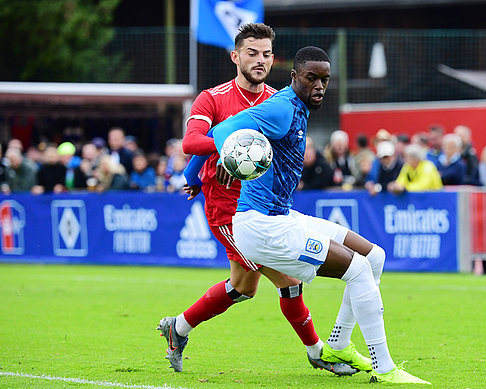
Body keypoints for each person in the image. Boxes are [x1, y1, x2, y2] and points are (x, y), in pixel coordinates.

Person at [180, 46, 430, 385]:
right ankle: (384, 367)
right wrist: (218, 161)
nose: (319, 86)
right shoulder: (282, 107)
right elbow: (220, 130)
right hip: (260, 225)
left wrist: (194, 175)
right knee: (355, 271)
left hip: (281, 216)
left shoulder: (296, 106)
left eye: (325, 80)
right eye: (311, 78)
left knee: (373, 257)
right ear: (294, 77)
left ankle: (339, 345)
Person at [158, 25, 361, 377]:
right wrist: (216, 159)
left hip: (266, 207)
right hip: (228, 209)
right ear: (235, 56)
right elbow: (192, 143)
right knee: (287, 279)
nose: (260, 60)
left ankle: (178, 327)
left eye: (267, 54)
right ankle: (318, 353)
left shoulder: (278, 100)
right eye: (252, 52)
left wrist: (220, 158)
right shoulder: (213, 98)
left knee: (243, 287)